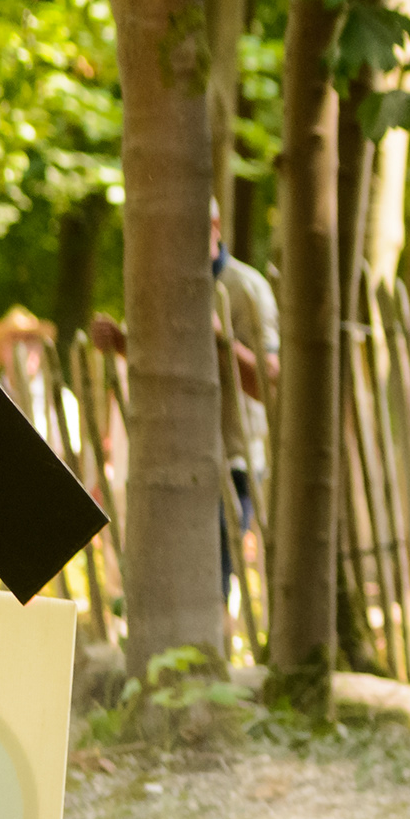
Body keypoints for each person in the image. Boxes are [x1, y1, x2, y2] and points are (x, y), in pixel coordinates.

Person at [89, 202, 282, 588]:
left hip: (231, 463)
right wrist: (124, 344)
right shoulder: (163, 284)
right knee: (166, 583)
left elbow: (268, 383)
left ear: (214, 225)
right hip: (170, 461)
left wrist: (220, 339)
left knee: (212, 584)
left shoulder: (245, 289)